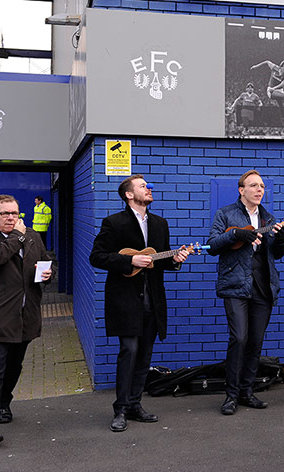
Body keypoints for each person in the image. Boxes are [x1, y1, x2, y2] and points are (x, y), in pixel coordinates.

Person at [89, 174, 189, 432]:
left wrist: (176, 259)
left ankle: (135, 404)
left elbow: (163, 259)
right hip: (125, 300)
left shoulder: (160, 224)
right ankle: (120, 408)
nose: (149, 189)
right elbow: (97, 257)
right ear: (129, 195)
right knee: (129, 351)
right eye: (143, 186)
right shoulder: (113, 222)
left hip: (152, 300)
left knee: (145, 355)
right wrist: (129, 261)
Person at [0, 194, 55, 446]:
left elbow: (44, 262)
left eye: (15, 213)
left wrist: (48, 274)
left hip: (25, 317)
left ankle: (3, 402)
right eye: (5, 214)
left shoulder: (33, 236)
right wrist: (17, 237)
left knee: (13, 366)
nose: (11, 218)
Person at [207, 170, 284, 415]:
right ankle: (230, 396)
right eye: (254, 185)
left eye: (262, 186)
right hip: (235, 286)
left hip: (263, 287)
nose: (259, 190)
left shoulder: (268, 219)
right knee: (239, 338)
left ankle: (246, 391)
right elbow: (211, 245)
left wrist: (281, 238)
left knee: (255, 342)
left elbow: (278, 253)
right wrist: (234, 234)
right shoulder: (225, 214)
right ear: (241, 190)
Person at [251, 59, 284, 139]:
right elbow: (267, 61)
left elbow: (282, 84)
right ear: (281, 67)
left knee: (282, 111)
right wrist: (256, 66)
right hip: (270, 90)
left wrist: (274, 88)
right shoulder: (274, 68)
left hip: (278, 90)